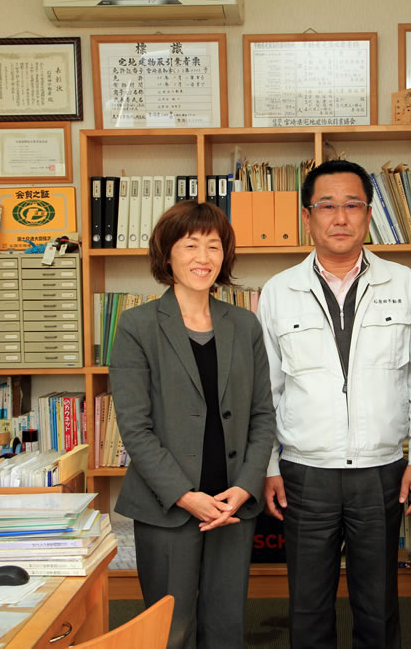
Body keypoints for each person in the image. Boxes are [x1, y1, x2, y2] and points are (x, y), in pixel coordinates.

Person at [258, 159, 411, 648]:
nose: (340, 217)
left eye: (352, 205)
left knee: (378, 603)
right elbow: (266, 390)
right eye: (326, 205)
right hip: (305, 473)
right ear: (307, 216)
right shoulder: (279, 291)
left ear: (369, 214)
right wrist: (270, 465)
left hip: (381, 471)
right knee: (308, 605)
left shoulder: (403, 283)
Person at [109, 200, 277, 649]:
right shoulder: (137, 326)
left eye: (213, 246)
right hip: (168, 508)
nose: (203, 257)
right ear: (167, 255)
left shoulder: (244, 325)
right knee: (171, 631)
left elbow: (263, 414)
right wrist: (185, 496)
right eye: (190, 245)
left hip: (232, 505)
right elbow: (135, 428)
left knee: (226, 627)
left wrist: (245, 488)